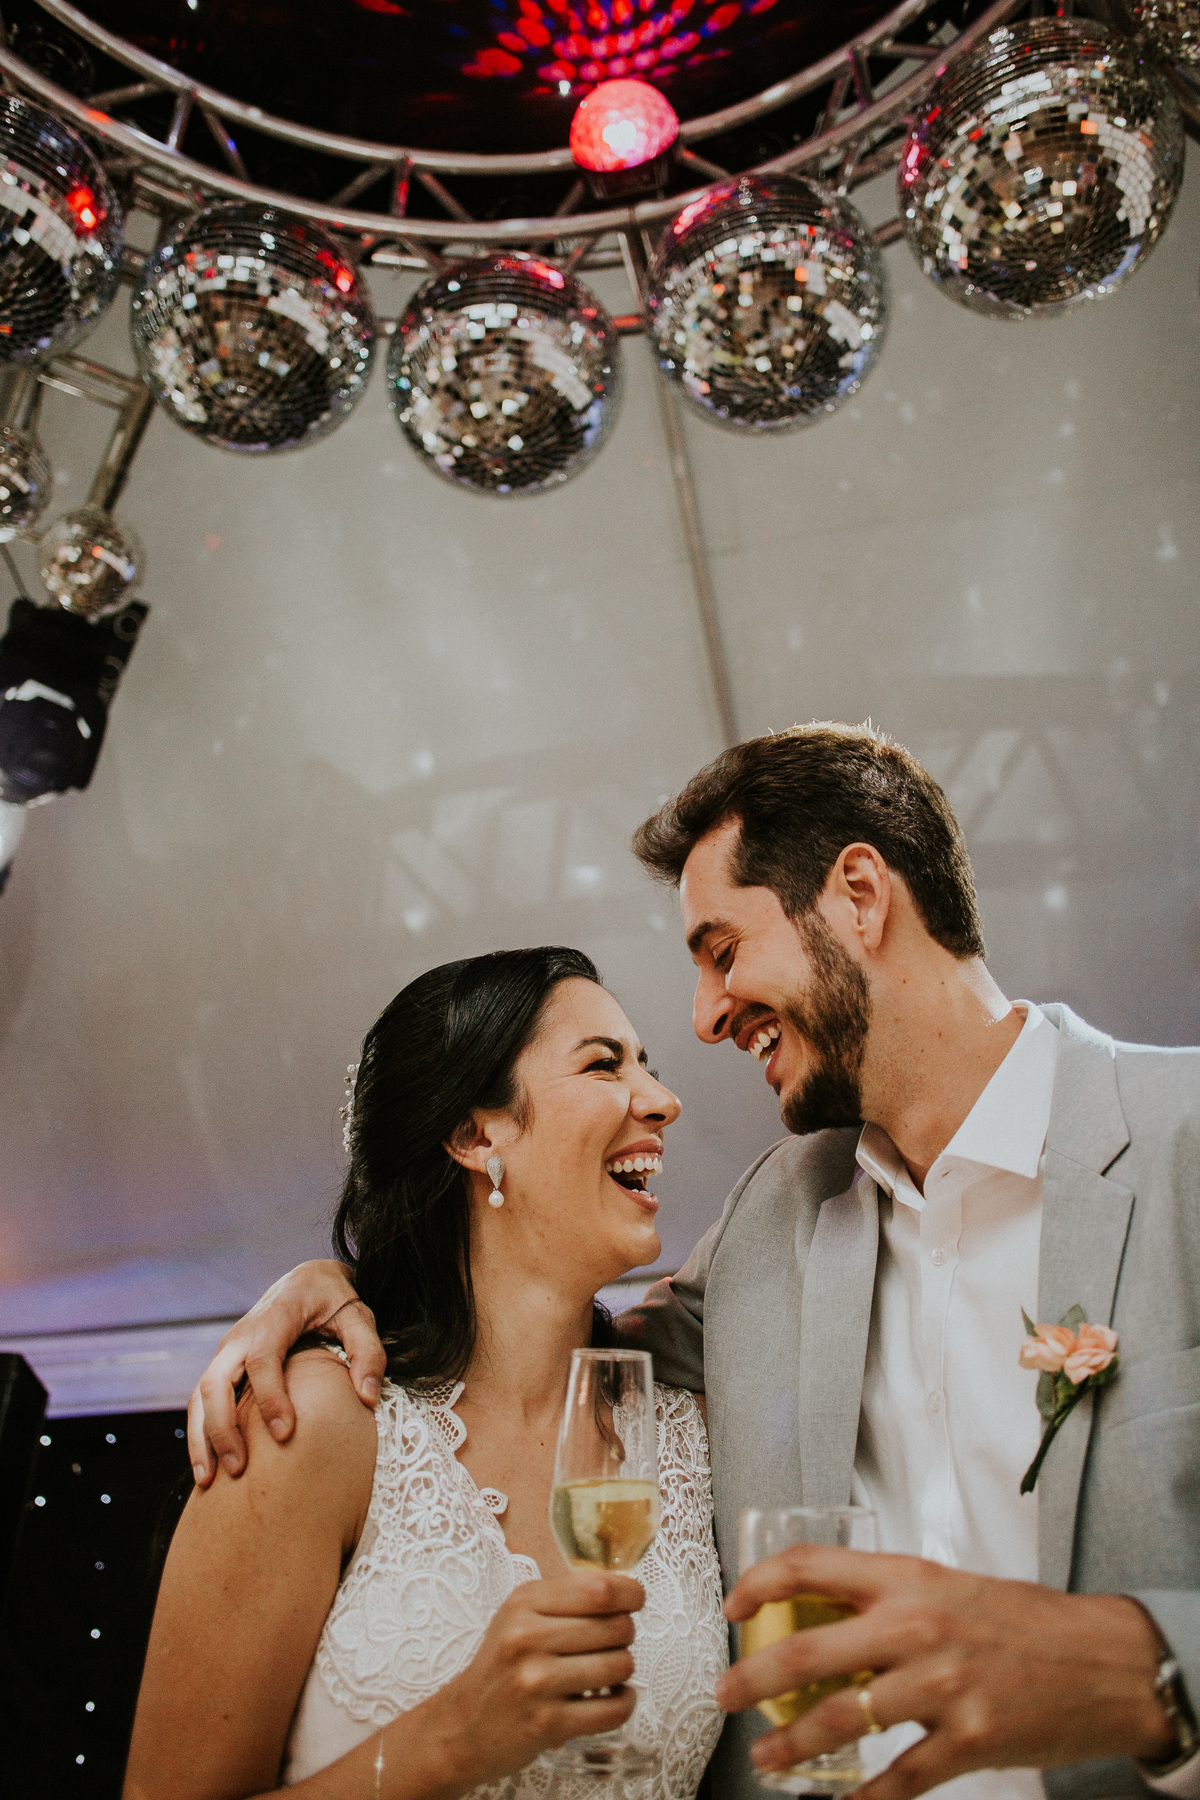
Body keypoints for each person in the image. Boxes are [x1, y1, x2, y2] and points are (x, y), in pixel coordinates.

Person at [188, 724, 1200, 1800]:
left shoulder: (1181, 1142)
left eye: (722, 951)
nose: (709, 1018)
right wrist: (334, 1288)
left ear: (860, 894)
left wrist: (1147, 1673)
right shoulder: (776, 1216)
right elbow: (532, 1346)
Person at [125, 948, 727, 1800]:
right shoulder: (313, 1424)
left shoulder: (688, 1436)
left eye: (648, 1067)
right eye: (604, 1064)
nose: (662, 1101)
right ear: (476, 1134)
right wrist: (452, 1741)